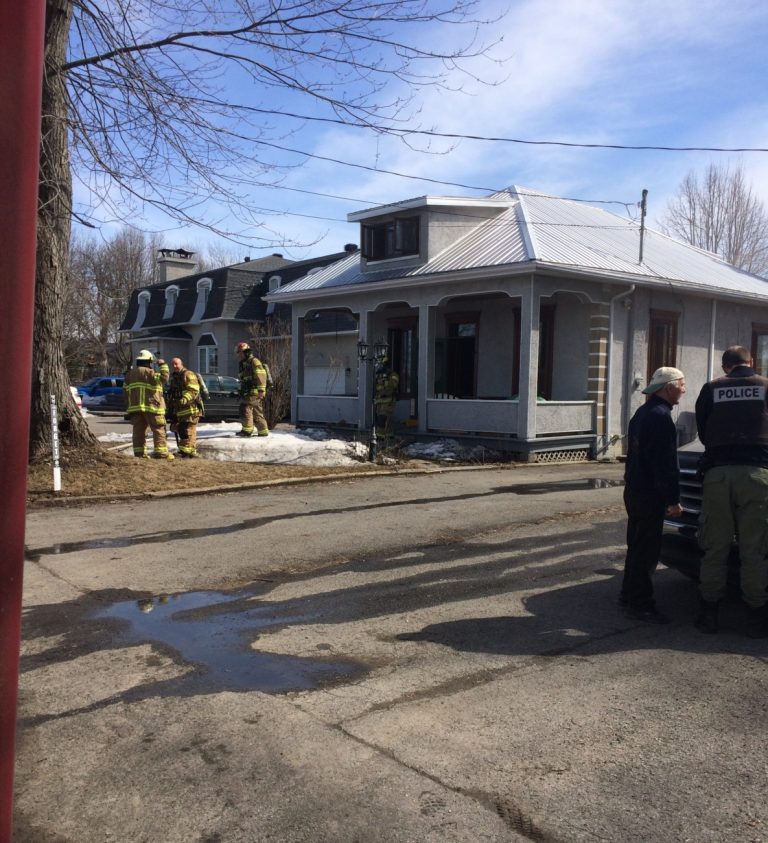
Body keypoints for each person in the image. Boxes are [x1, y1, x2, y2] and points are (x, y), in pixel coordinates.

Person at [693, 345, 768, 638]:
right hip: (758, 475)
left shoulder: (712, 388)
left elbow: (703, 429)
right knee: (755, 549)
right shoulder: (765, 386)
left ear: (726, 366)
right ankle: (756, 617)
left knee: (715, 547)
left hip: (719, 474)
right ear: (751, 362)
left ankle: (709, 614)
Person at [620, 366, 686, 623]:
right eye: (681, 384)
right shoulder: (660, 417)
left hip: (634, 489)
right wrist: (672, 499)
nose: (684, 389)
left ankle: (628, 595)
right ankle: (641, 604)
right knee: (646, 551)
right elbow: (665, 463)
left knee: (635, 546)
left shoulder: (642, 413)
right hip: (650, 493)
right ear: (668, 388)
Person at [123, 349, 173, 459]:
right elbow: (164, 378)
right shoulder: (150, 373)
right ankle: (161, 453)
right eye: (150, 362)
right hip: (152, 407)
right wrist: (163, 365)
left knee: (138, 432)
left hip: (136, 409)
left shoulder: (129, 375)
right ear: (147, 361)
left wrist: (130, 406)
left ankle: (139, 454)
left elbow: (125, 391)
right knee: (158, 430)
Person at [167, 357, 202, 458]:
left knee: (188, 429)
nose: (174, 366)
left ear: (181, 364)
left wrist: (185, 399)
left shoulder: (188, 374)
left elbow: (194, 390)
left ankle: (188, 451)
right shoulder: (175, 378)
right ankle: (186, 450)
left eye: (176, 364)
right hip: (181, 410)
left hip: (191, 408)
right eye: (173, 364)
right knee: (182, 429)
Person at [234, 341, 269, 437]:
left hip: (253, 392)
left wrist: (261, 390)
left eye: (240, 352)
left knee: (245, 408)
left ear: (246, 352)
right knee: (257, 411)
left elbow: (261, 375)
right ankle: (263, 431)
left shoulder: (254, 361)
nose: (239, 355)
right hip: (249, 392)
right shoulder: (244, 363)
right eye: (238, 353)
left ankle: (247, 431)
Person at [374, 358, 400, 433]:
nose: (382, 366)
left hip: (388, 400)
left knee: (384, 418)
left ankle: (383, 436)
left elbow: (393, 384)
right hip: (379, 400)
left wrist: (384, 382)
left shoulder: (393, 374)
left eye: (383, 364)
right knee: (379, 419)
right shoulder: (378, 375)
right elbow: (376, 386)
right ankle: (381, 436)